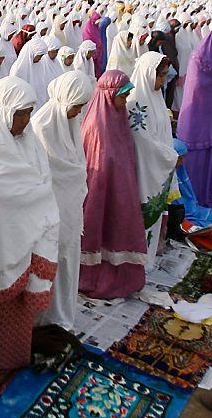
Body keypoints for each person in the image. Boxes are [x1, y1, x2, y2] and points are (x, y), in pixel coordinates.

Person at [0, 76, 59, 398]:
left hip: (24, 249)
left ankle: (10, 361)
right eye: (20, 113)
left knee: (15, 320)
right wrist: (34, 197)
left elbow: (43, 186)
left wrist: (34, 198)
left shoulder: (29, 142)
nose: (25, 121)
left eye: (29, 112)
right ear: (3, 112)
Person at [31, 71, 93, 329]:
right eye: (76, 106)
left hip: (68, 212)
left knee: (66, 262)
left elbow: (76, 166)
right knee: (48, 261)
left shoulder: (69, 126)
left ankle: (61, 317)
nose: (79, 112)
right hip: (47, 214)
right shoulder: (41, 128)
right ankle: (44, 320)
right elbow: (47, 173)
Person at [79, 70, 146, 299]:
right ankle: (93, 274)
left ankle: (123, 275)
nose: (124, 101)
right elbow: (97, 167)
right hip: (102, 190)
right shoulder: (97, 125)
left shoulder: (118, 117)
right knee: (101, 228)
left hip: (120, 188)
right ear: (109, 95)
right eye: (121, 96)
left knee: (119, 228)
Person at [126, 51, 178, 267]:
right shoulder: (134, 101)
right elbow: (142, 141)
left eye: (165, 75)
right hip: (143, 170)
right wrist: (169, 156)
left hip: (158, 166)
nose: (163, 81)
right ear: (148, 74)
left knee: (154, 219)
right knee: (140, 216)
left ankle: (147, 255)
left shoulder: (155, 97)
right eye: (160, 76)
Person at [176, 24, 212, 207]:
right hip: (196, 115)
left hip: (210, 116)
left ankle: (204, 195)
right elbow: (197, 85)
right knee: (195, 159)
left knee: (209, 158)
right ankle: (192, 197)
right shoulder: (199, 58)